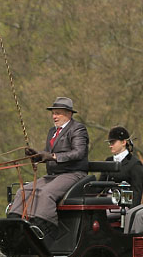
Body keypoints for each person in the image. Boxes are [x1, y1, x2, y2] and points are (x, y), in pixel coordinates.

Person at [8, 96, 89, 237]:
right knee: (23, 190)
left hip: (73, 174)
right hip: (53, 175)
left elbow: (79, 153)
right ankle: (14, 226)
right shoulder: (52, 131)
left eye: (58, 113)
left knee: (46, 193)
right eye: (53, 113)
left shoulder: (78, 129)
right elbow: (48, 154)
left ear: (68, 114)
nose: (54, 116)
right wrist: (37, 156)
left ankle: (44, 229)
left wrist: (53, 157)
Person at [100, 126, 143, 206]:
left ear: (123, 142)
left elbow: (137, 193)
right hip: (105, 202)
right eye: (109, 143)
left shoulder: (134, 163)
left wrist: (131, 212)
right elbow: (100, 185)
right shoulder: (108, 161)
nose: (110, 145)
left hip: (123, 204)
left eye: (113, 142)